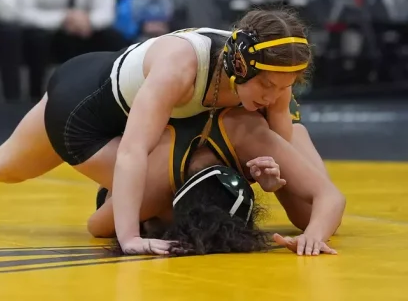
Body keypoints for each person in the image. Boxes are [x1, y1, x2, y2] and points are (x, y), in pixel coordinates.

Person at [0, 8, 339, 256]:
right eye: (267, 86)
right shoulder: (180, 67)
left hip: (116, 85)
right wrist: (129, 238)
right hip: (87, 111)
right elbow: (132, 149)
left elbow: (310, 180)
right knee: (168, 184)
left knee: (1, 162)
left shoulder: (269, 75)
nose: (274, 95)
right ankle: (119, 210)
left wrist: (315, 224)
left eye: (286, 87)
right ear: (238, 64)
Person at [88, 105, 343, 256]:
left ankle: (116, 194)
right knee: (308, 218)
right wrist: (313, 232)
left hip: (230, 90)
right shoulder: (249, 133)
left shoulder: (247, 131)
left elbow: (96, 226)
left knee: (310, 217)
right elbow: (329, 197)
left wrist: (313, 234)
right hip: (208, 107)